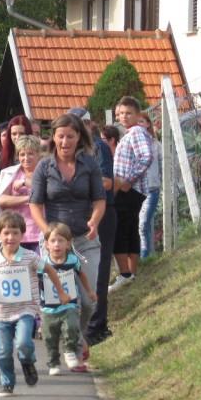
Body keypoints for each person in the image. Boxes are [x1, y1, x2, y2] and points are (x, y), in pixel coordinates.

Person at [29, 112, 106, 339]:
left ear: (79, 137)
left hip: (85, 240)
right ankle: (72, 342)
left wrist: (94, 221)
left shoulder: (90, 164)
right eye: (61, 136)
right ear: (53, 137)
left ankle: (78, 335)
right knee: (63, 298)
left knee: (88, 300)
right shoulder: (44, 167)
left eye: (70, 136)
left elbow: (99, 200)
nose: (65, 142)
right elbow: (35, 204)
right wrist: (46, 231)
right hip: (55, 243)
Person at [0, 211, 67, 397]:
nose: (10, 237)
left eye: (15, 233)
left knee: (23, 343)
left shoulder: (30, 257)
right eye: (6, 233)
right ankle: (7, 383)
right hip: (1, 313)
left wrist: (60, 292)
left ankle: (27, 362)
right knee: (3, 352)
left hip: (25, 310)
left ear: (22, 235)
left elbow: (50, 270)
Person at [39, 222, 97, 375]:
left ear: (68, 244)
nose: (57, 244)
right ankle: (53, 362)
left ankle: (69, 350)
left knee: (72, 326)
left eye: (61, 241)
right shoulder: (42, 263)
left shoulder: (72, 260)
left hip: (69, 304)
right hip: (49, 307)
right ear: (46, 244)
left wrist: (89, 291)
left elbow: (82, 275)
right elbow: (34, 281)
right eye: (53, 241)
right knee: (50, 336)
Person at [109, 97, 154, 291]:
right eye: (120, 113)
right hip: (132, 190)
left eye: (128, 113)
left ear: (137, 114)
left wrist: (128, 180)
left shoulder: (136, 132)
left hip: (129, 190)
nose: (124, 117)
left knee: (119, 230)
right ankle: (131, 272)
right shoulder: (130, 133)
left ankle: (125, 274)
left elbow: (146, 157)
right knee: (130, 229)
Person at [80, 111, 117, 347]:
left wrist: (79, 183)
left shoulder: (98, 147)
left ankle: (97, 327)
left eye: (81, 124)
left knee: (99, 271)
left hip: (102, 213)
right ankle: (84, 326)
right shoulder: (72, 152)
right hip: (81, 215)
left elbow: (107, 182)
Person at [0, 135, 44, 253]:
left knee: (39, 265)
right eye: (22, 154)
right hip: (16, 235)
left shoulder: (46, 172)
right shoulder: (10, 173)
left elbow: (46, 192)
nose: (26, 158)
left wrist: (24, 182)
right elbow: (1, 200)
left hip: (40, 234)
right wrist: (29, 198)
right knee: (19, 264)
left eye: (30, 154)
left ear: (38, 154)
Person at [136, 113, 161, 260]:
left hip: (151, 188)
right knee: (141, 224)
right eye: (137, 122)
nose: (139, 124)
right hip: (135, 190)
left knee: (144, 222)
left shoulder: (155, 145)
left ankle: (144, 256)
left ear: (147, 124)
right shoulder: (130, 143)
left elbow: (163, 165)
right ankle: (148, 254)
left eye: (141, 121)